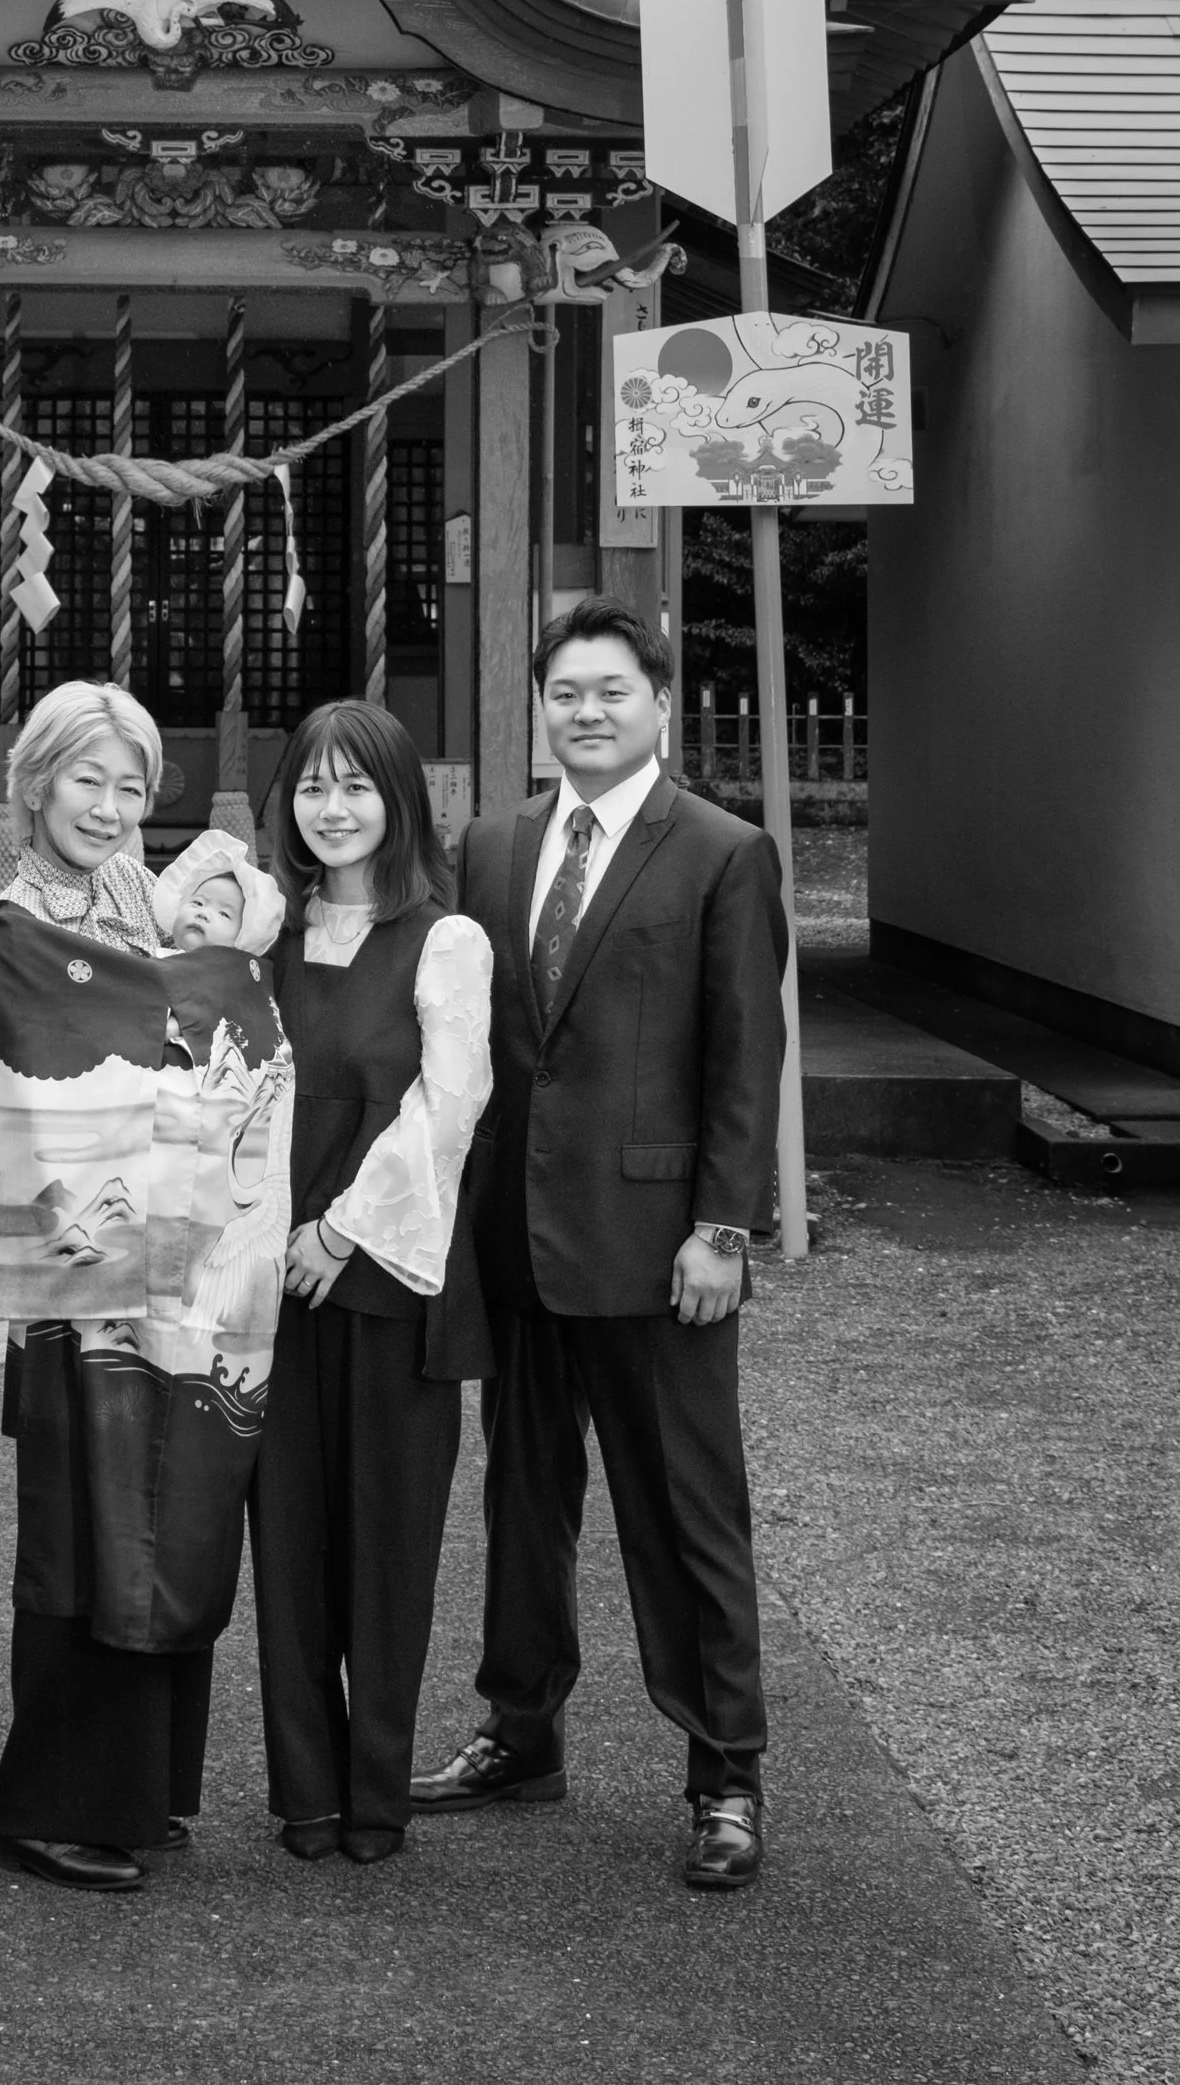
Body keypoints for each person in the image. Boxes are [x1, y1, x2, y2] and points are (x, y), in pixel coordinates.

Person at [411, 594, 786, 1891]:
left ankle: (723, 1772)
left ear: (658, 703)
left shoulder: (721, 852)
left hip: (656, 1248)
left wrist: (721, 1227)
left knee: (683, 1513)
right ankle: (519, 1730)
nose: (585, 711)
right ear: (540, 708)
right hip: (516, 1241)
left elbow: (745, 1055)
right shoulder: (491, 846)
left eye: (610, 690)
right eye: (564, 692)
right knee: (521, 1502)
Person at [0, 681, 292, 1895]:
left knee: (167, 1503)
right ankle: (48, 1809)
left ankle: (142, 1792)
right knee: (77, 1532)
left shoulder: (132, 900)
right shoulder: (14, 917)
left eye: (129, 786)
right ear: (34, 782)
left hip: (174, 1273)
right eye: (85, 780)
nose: (107, 808)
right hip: (75, 1267)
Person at [248, 698, 495, 1865]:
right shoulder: (262, 937)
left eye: (355, 785)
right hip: (267, 1283)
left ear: (399, 800)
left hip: (387, 1277)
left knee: (387, 1544)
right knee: (287, 1541)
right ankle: (305, 1789)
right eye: (312, 785)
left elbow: (448, 1107)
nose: (332, 808)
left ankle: (375, 1793)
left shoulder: (445, 941)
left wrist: (339, 1234)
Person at [149, 826, 286, 955]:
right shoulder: (153, 961)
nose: (203, 913)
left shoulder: (236, 972)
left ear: (244, 937)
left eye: (224, 914)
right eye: (197, 903)